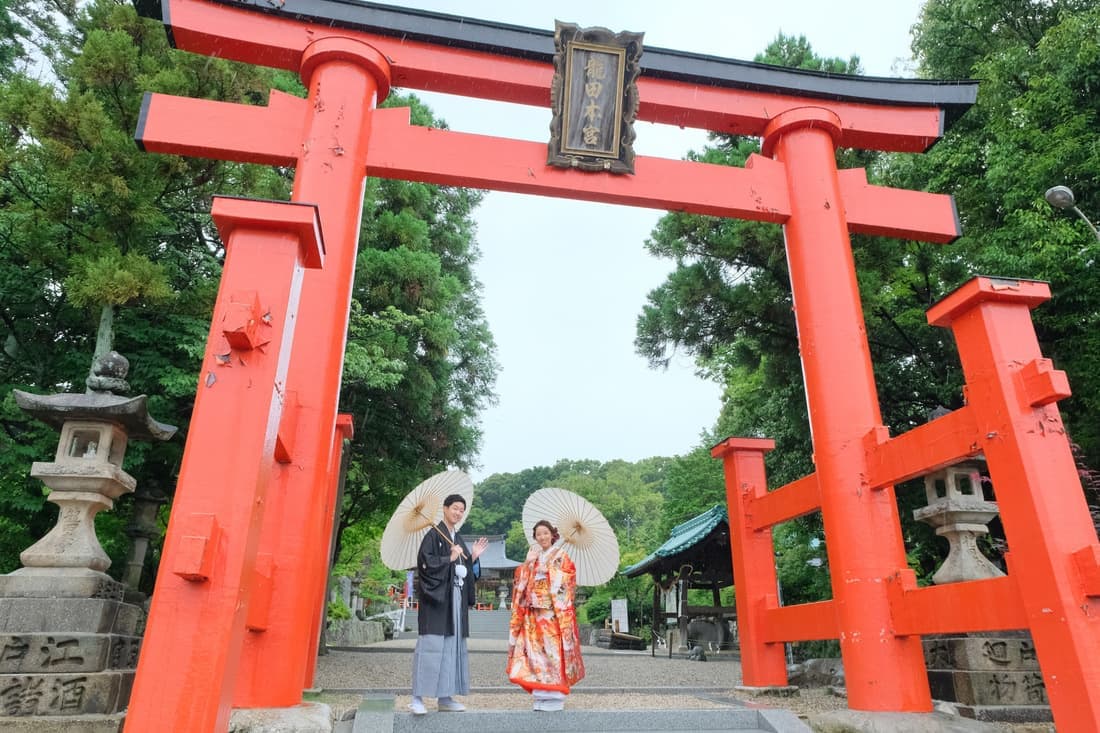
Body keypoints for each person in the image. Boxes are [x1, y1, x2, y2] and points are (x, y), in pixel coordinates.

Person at [409, 493, 489, 715]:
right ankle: (417, 698)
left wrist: (472, 557)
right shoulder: (433, 536)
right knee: (431, 646)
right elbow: (425, 565)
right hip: (437, 601)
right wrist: (449, 559)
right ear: (444, 509)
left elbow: (465, 572)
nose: (458, 513)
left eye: (462, 510)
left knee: (451, 648)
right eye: (454, 508)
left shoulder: (458, 538)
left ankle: (445, 697)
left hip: (455, 601)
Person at [506, 519, 585, 711]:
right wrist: (527, 564)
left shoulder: (561, 555)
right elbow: (520, 582)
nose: (542, 537)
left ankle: (555, 695)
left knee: (552, 653)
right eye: (538, 534)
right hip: (533, 615)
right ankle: (541, 694)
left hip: (551, 615)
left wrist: (549, 571)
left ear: (552, 535)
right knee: (534, 653)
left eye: (545, 533)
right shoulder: (535, 555)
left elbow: (569, 578)